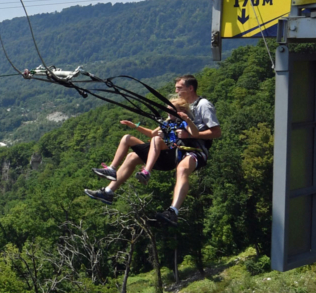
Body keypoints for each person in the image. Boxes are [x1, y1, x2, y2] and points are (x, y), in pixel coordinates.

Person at [85, 75, 221, 226]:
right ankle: (108, 192)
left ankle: (173, 211)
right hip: (172, 148)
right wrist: (135, 126)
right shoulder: (174, 111)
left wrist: (190, 134)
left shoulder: (202, 105)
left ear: (190, 88)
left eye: (179, 88)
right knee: (132, 156)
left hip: (194, 149)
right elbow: (153, 133)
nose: (176, 91)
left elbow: (216, 132)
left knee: (182, 169)